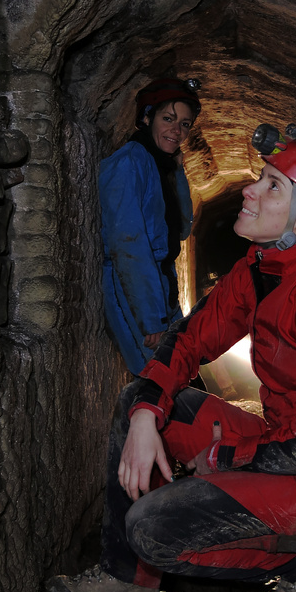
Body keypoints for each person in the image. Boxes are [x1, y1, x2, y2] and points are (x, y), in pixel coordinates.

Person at [48, 124, 296, 592]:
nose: (250, 189)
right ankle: (129, 586)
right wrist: (146, 413)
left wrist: (226, 458)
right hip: (282, 443)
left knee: (152, 529)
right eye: (261, 178)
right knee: (141, 405)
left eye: (272, 185)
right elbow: (189, 341)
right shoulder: (262, 268)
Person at [99, 76, 202, 376]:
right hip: (138, 295)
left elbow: (183, 228)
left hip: (163, 287)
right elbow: (129, 246)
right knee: (160, 382)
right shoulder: (129, 163)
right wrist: (150, 318)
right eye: (168, 118)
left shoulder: (158, 165)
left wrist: (178, 172)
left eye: (184, 124)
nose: (177, 130)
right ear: (147, 117)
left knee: (183, 372)